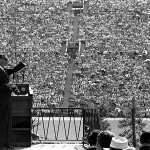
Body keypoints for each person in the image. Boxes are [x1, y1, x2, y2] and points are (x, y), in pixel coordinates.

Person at [0, 54, 26, 149]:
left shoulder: (4, 70)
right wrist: (7, 86)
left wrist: (22, 64)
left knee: (7, 122)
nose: (7, 60)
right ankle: (1, 144)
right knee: (2, 123)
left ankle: (6, 143)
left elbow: (13, 70)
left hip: (6, 100)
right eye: (5, 59)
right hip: (1, 101)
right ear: (0, 60)